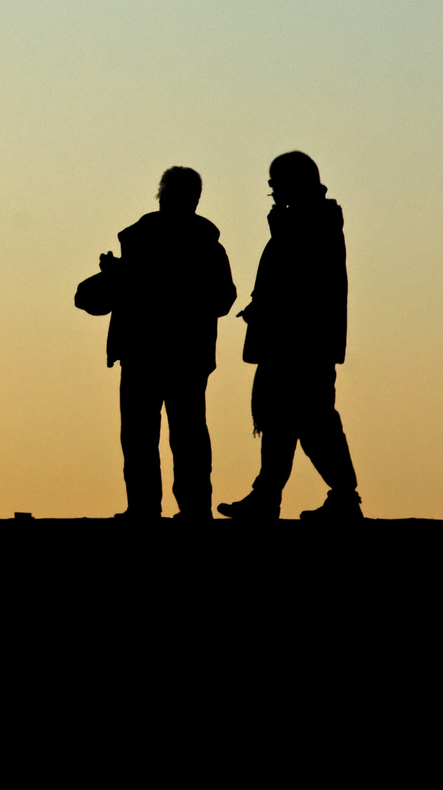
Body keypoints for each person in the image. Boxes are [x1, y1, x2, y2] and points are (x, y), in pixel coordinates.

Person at [84, 167, 236, 521]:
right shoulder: (206, 247)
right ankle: (190, 508)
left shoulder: (140, 244)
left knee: (146, 436)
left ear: (162, 194)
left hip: (143, 353)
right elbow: (223, 299)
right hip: (186, 355)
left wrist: (119, 276)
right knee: (186, 434)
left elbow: (94, 298)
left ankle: (147, 508)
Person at [218, 151, 363, 521]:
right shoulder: (305, 219)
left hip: (304, 343)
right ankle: (267, 496)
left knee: (313, 421)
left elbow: (304, 276)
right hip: (290, 342)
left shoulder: (314, 221)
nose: (271, 188)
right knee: (281, 421)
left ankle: (343, 496)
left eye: (276, 180)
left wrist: (280, 231)